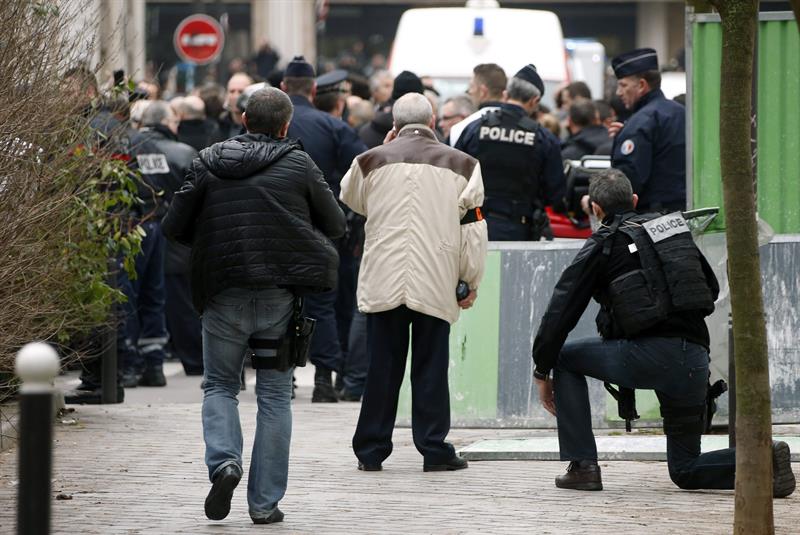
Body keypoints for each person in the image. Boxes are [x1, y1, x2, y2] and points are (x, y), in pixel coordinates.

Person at [530, 169, 796, 497]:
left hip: (647, 357)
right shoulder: (670, 230)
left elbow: (561, 310)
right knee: (684, 469)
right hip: (695, 362)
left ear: (596, 209)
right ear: (635, 201)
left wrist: (542, 368)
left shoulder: (603, 242)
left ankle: (583, 467)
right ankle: (766, 461)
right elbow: (710, 288)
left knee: (565, 356)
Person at [162, 87, 346, 524]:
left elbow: (174, 226)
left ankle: (225, 462)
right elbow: (336, 223)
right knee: (275, 394)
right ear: (285, 126)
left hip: (222, 289)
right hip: (279, 294)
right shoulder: (299, 163)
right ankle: (264, 505)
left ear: (243, 119)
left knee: (220, 385)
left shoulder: (207, 160)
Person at [340, 93, 488, 472]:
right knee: (431, 366)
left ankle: (371, 450)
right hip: (436, 278)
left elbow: (353, 199)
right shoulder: (464, 165)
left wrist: (384, 151)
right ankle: (434, 448)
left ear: (393, 124)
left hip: (383, 276)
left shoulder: (369, 160)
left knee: (381, 367)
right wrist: (469, 279)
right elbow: (472, 228)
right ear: (434, 119)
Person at [280, 56, 367, 402]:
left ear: (285, 87)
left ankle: (282, 377)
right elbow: (362, 174)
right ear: (314, 89)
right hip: (325, 230)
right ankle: (323, 378)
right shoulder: (334, 127)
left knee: (280, 303)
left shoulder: (273, 122)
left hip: (279, 228)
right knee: (324, 306)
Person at [122, 101, 198, 386]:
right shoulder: (176, 152)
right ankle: (157, 362)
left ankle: (135, 361)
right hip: (168, 233)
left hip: (135, 226)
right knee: (160, 298)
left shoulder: (131, 146)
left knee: (133, 293)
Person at [455, 64, 566, 241]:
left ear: (506, 95)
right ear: (534, 101)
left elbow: (455, 176)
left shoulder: (474, 129)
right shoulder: (543, 138)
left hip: (474, 226)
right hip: (519, 229)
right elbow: (555, 194)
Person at [609, 48, 686, 212]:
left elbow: (629, 179)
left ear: (642, 85)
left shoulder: (641, 122)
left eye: (623, 85)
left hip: (652, 218)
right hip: (685, 211)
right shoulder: (681, 113)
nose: (619, 92)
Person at [359, 70, 424, 149]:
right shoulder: (364, 111)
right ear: (374, 91)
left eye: (393, 86)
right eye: (386, 86)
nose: (391, 89)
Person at [448, 63, 506, 147]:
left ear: (483, 91)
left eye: (471, 86)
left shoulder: (461, 128)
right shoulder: (526, 127)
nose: (469, 92)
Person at [218, 72, 253, 139]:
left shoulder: (258, 128)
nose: (236, 96)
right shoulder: (220, 126)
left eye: (241, 92)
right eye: (232, 91)